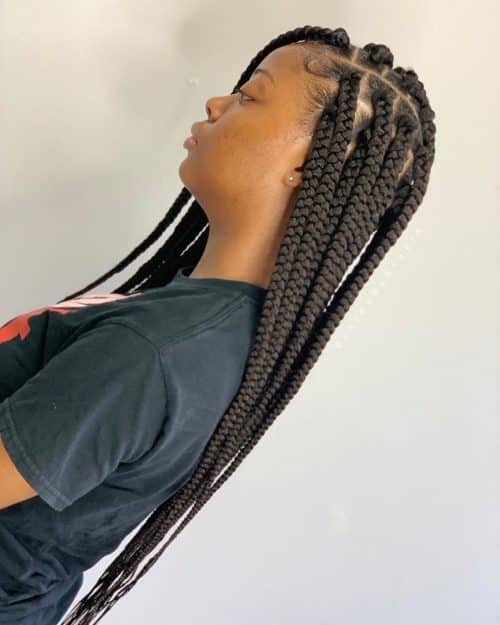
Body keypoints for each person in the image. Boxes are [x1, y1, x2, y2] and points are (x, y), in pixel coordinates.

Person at [0, 24, 436, 625]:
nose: (215, 103)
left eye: (250, 96)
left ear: (308, 164)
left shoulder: (157, 351)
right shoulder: (212, 329)